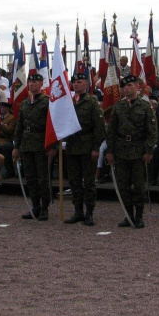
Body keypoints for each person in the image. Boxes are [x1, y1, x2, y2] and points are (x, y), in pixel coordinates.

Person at [106, 75, 157, 228]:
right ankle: (128, 215)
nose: (127, 88)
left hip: (138, 150)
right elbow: (111, 131)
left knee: (139, 185)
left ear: (137, 87)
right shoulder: (118, 107)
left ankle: (139, 216)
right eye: (124, 86)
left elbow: (152, 132)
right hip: (121, 150)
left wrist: (148, 151)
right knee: (123, 185)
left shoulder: (145, 107)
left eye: (130, 85)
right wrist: (110, 151)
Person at [63, 73, 106, 226]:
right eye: (74, 82)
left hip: (87, 147)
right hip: (72, 147)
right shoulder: (69, 102)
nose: (75, 84)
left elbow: (100, 128)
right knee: (74, 181)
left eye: (79, 82)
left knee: (88, 182)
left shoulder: (92, 102)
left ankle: (89, 213)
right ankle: (78, 211)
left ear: (86, 85)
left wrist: (96, 148)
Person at [13, 74, 55, 220]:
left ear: (41, 83)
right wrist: (16, 145)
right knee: (30, 177)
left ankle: (45, 207)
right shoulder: (25, 103)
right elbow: (20, 125)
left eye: (35, 81)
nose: (31, 84)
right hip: (26, 143)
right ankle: (35, 206)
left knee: (43, 178)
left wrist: (52, 146)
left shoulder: (47, 102)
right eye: (30, 81)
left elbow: (52, 125)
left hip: (41, 143)